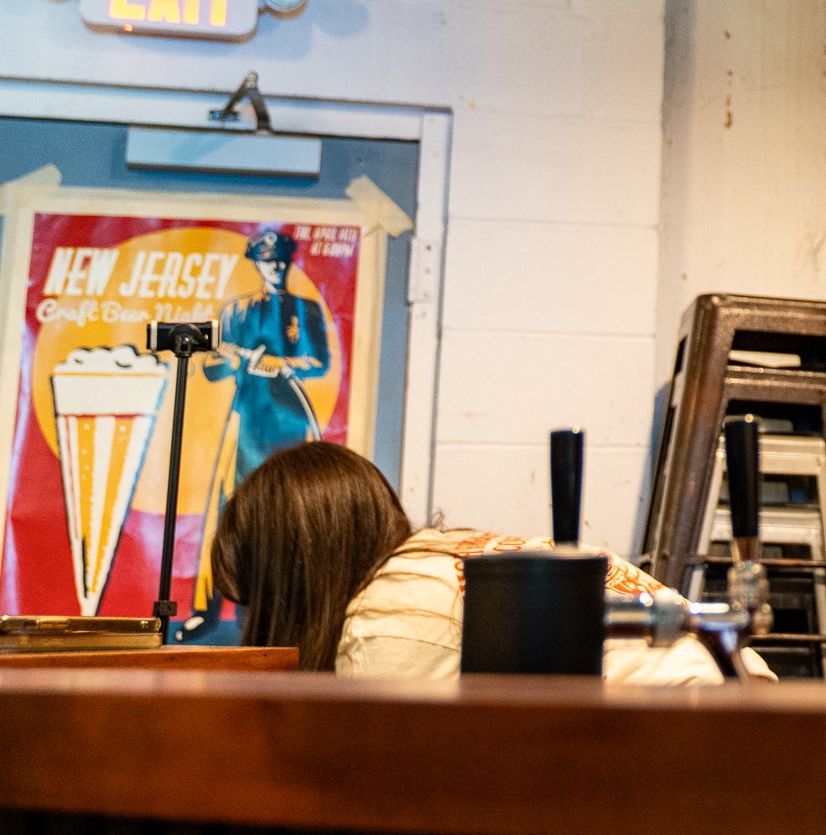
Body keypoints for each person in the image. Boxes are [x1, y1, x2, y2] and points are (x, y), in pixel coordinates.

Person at [211, 442, 743, 682]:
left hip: (700, 747)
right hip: (748, 702)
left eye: (256, 599)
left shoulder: (385, 623)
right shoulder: (444, 556)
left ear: (295, 583)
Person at [205, 230, 331, 486]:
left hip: (290, 415)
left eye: (280, 261)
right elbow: (211, 367)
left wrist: (279, 364)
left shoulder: (306, 309)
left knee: (290, 488)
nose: (275, 267)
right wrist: (230, 363)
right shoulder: (236, 310)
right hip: (247, 416)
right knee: (244, 488)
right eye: (267, 261)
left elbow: (320, 363)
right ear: (257, 264)